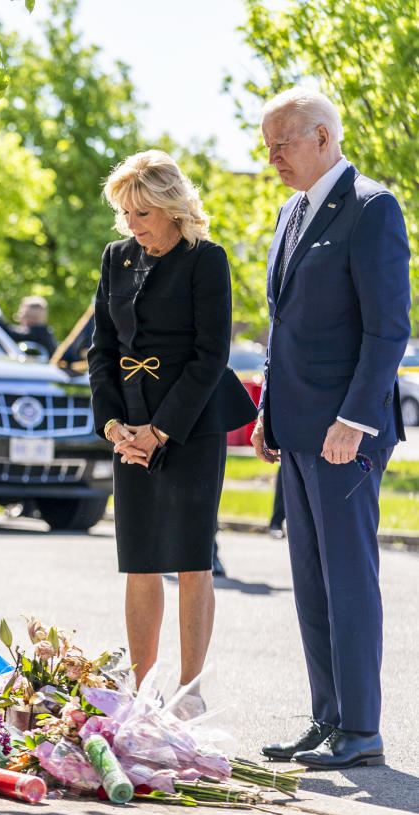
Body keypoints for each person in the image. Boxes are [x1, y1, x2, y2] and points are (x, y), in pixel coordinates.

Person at [253, 88, 409, 770]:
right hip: (297, 431)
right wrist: (267, 412)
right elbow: (282, 325)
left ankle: (363, 730)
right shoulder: (292, 210)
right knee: (312, 583)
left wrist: (355, 418)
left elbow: (388, 328)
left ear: (322, 136)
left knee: (349, 582)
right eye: (267, 146)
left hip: (346, 435)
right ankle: (327, 721)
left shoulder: (372, 209)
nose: (273, 157)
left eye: (282, 143)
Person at [87, 150, 256, 698]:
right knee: (138, 559)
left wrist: (159, 432)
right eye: (126, 215)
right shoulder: (116, 258)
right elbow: (101, 350)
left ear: (172, 208)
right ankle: (142, 691)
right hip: (129, 426)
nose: (133, 227)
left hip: (190, 424)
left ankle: (190, 690)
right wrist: (116, 427)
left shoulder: (206, 259)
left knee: (189, 558)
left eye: (143, 214)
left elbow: (210, 356)